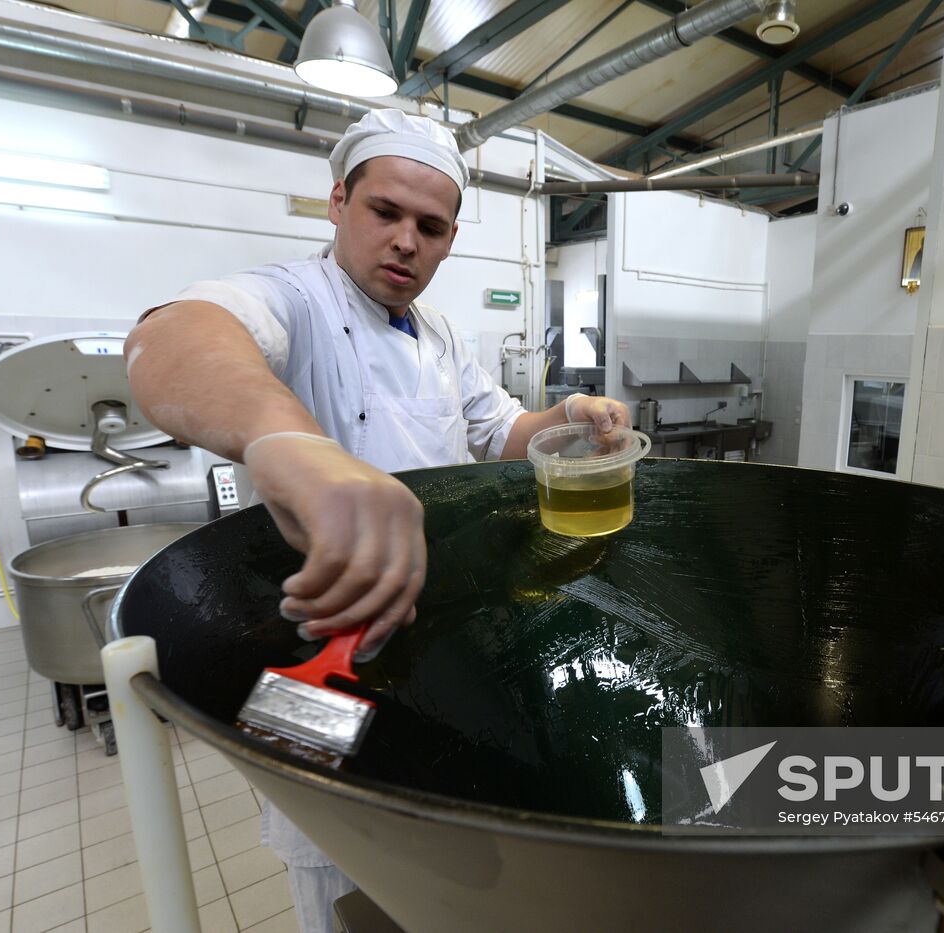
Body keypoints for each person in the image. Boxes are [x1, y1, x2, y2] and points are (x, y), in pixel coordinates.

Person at [125, 108, 631, 933]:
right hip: (312, 650)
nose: (406, 241)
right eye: (384, 212)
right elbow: (171, 339)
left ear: (451, 237)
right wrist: (287, 440)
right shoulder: (291, 301)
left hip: (430, 633)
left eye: (430, 227)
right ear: (338, 203)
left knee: (433, 842)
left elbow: (501, 433)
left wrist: (567, 415)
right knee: (330, 848)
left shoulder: (437, 332)